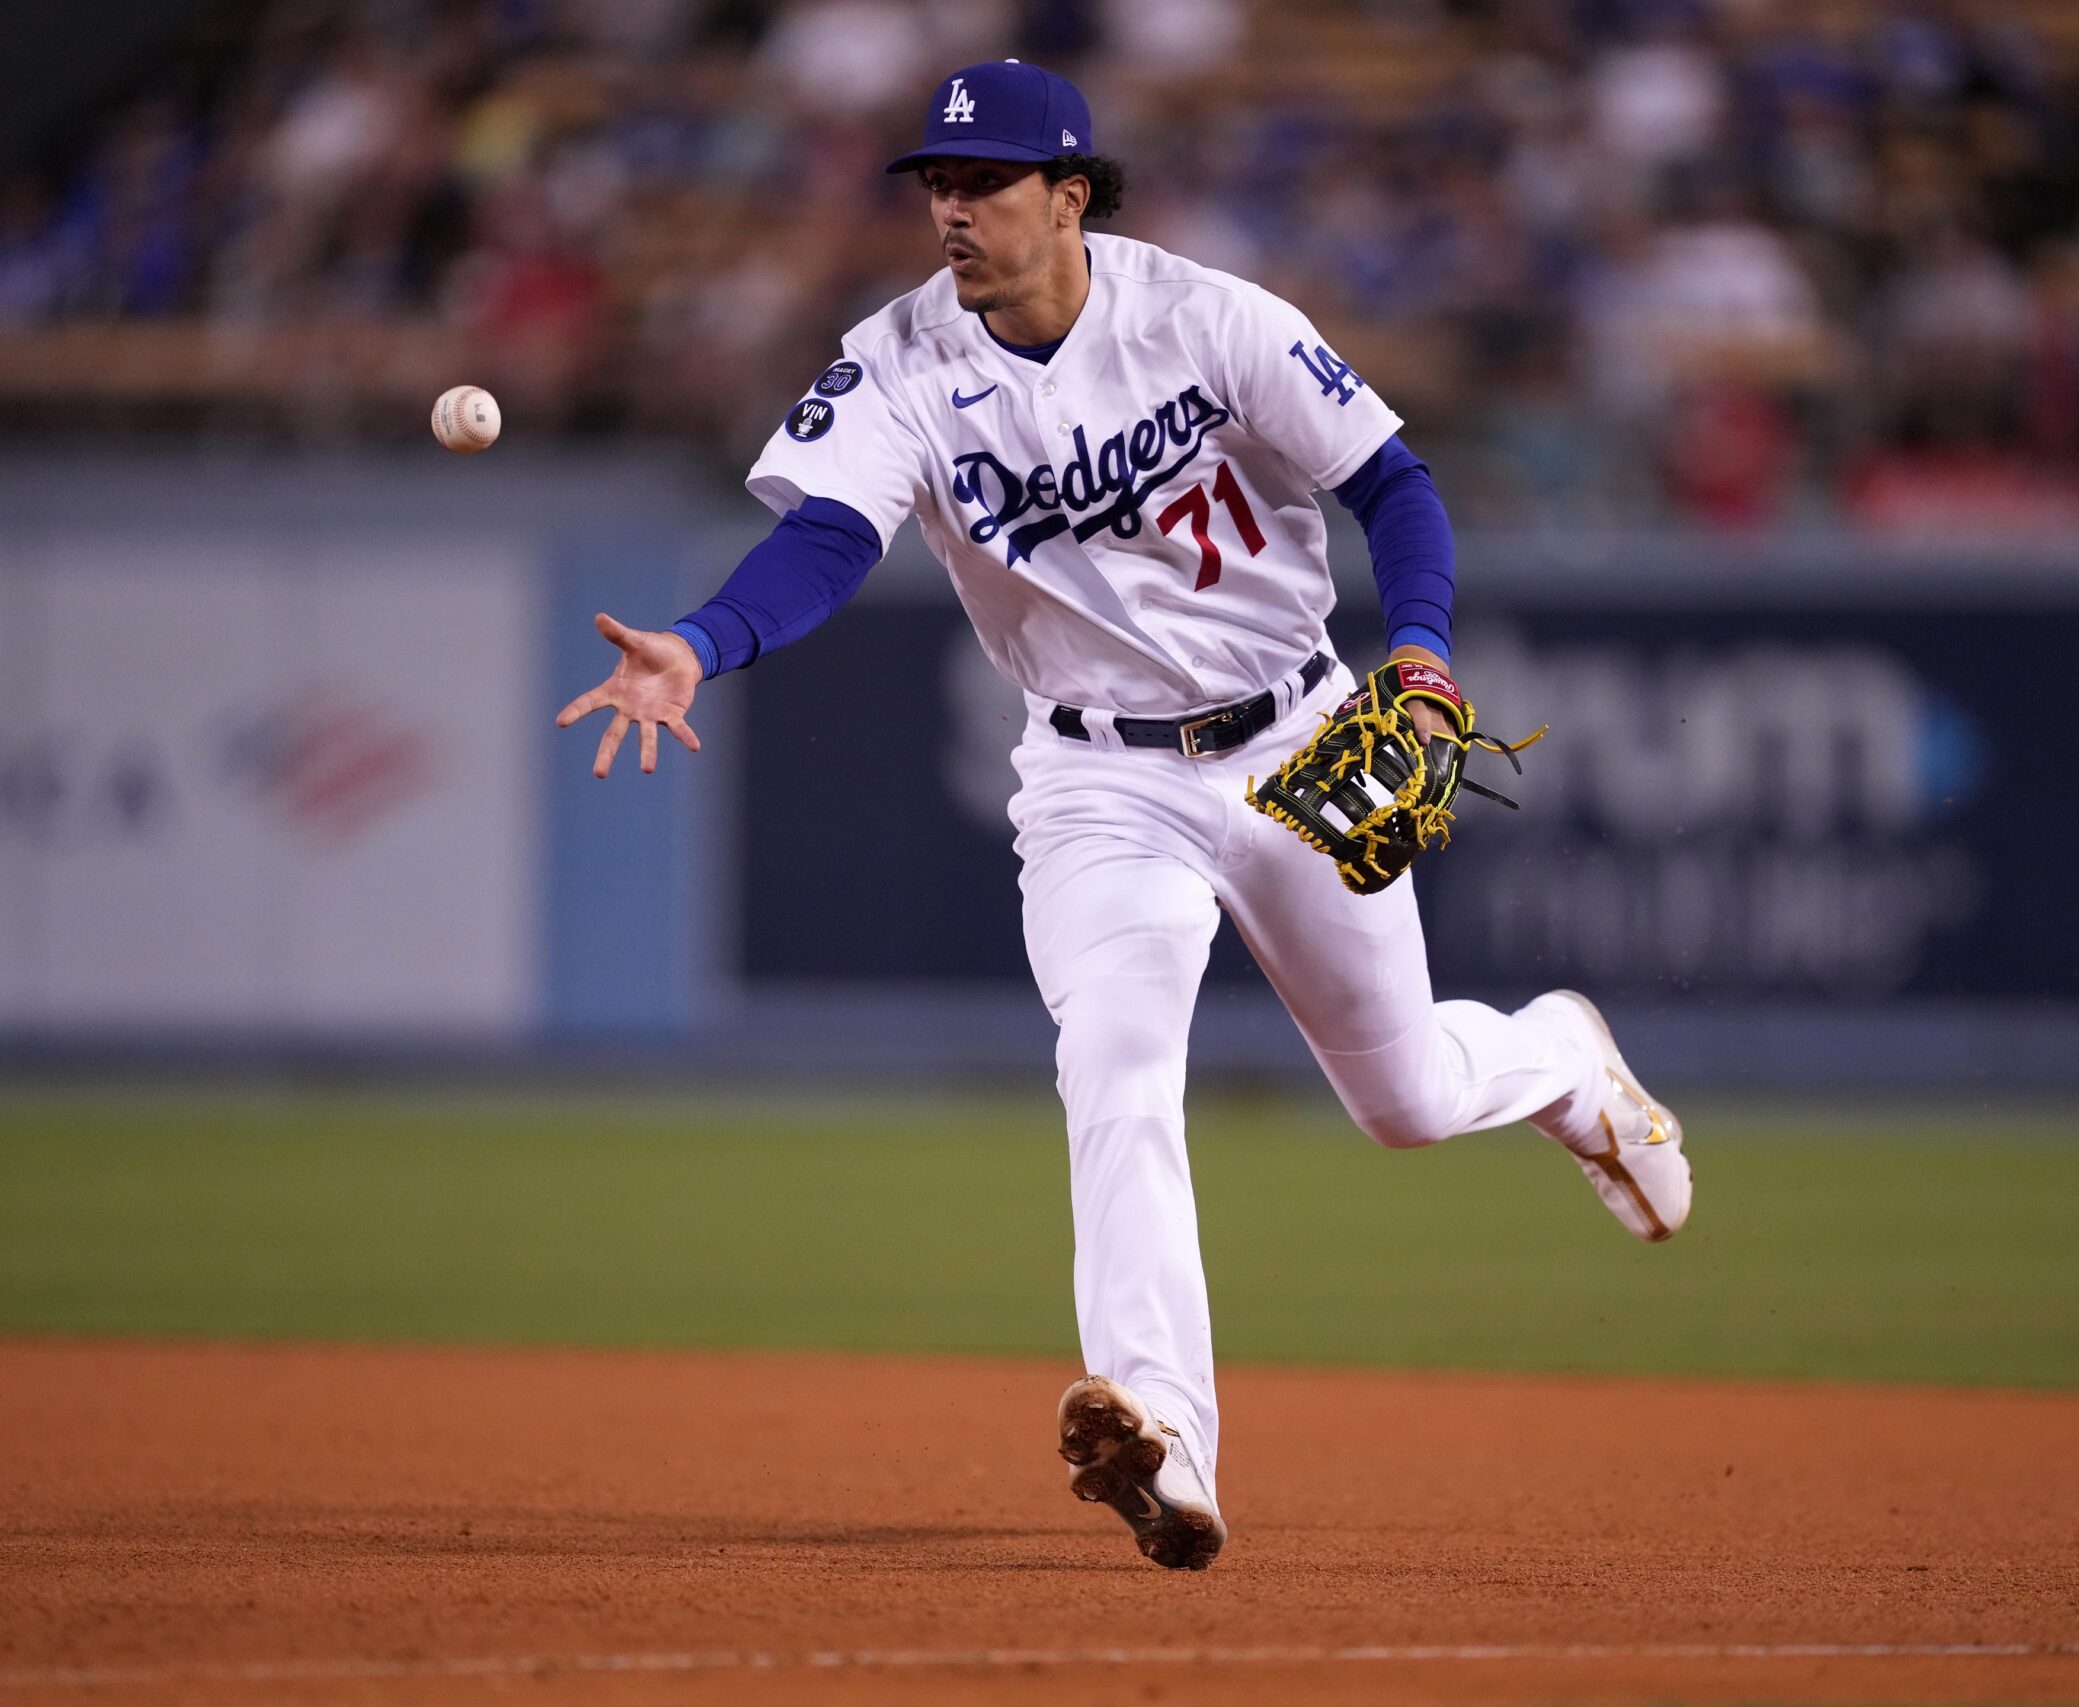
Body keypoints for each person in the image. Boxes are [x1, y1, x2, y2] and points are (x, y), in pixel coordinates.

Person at [556, 59, 1691, 1570]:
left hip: (1299, 733)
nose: (952, 210)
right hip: (1100, 777)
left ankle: (1560, 1059)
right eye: (936, 186)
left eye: (986, 184)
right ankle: (1163, 1434)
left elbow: (1396, 485)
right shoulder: (895, 364)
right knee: (1118, 1061)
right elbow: (828, 538)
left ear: (1071, 194)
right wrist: (701, 642)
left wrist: (1415, 646)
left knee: (1406, 1101)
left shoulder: (1211, 318)